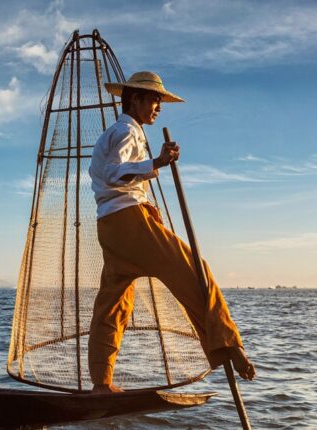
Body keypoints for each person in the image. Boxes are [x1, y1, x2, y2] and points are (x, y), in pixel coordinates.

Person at [87, 71, 255, 393]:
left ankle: (101, 382)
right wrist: (158, 162)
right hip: (129, 222)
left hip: (110, 226)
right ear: (134, 99)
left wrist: (150, 174)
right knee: (195, 271)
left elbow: (110, 176)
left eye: (160, 101)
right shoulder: (126, 131)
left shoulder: (116, 133)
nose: (158, 107)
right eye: (153, 99)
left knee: (113, 304)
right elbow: (112, 174)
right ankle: (228, 344)